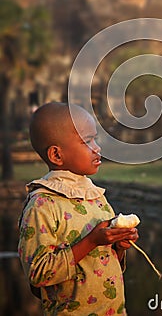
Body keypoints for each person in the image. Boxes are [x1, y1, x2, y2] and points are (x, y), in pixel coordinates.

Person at [18, 102, 139, 316]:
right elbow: (38, 274)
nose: (97, 148)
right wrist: (92, 241)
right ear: (56, 155)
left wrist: (118, 246)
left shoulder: (96, 197)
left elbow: (106, 266)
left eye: (95, 139)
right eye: (87, 141)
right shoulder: (43, 205)